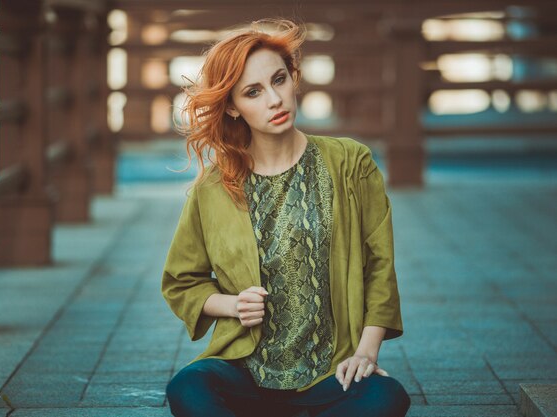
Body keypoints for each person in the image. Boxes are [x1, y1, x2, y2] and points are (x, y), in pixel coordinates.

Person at [161, 18, 410, 417]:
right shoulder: (213, 188)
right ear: (233, 107)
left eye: (279, 80)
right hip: (247, 370)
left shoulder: (351, 162)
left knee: (387, 397)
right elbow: (180, 281)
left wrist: (365, 353)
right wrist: (232, 305)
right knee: (188, 387)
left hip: (331, 370)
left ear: (294, 78)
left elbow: (379, 265)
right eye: (253, 92)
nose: (275, 100)